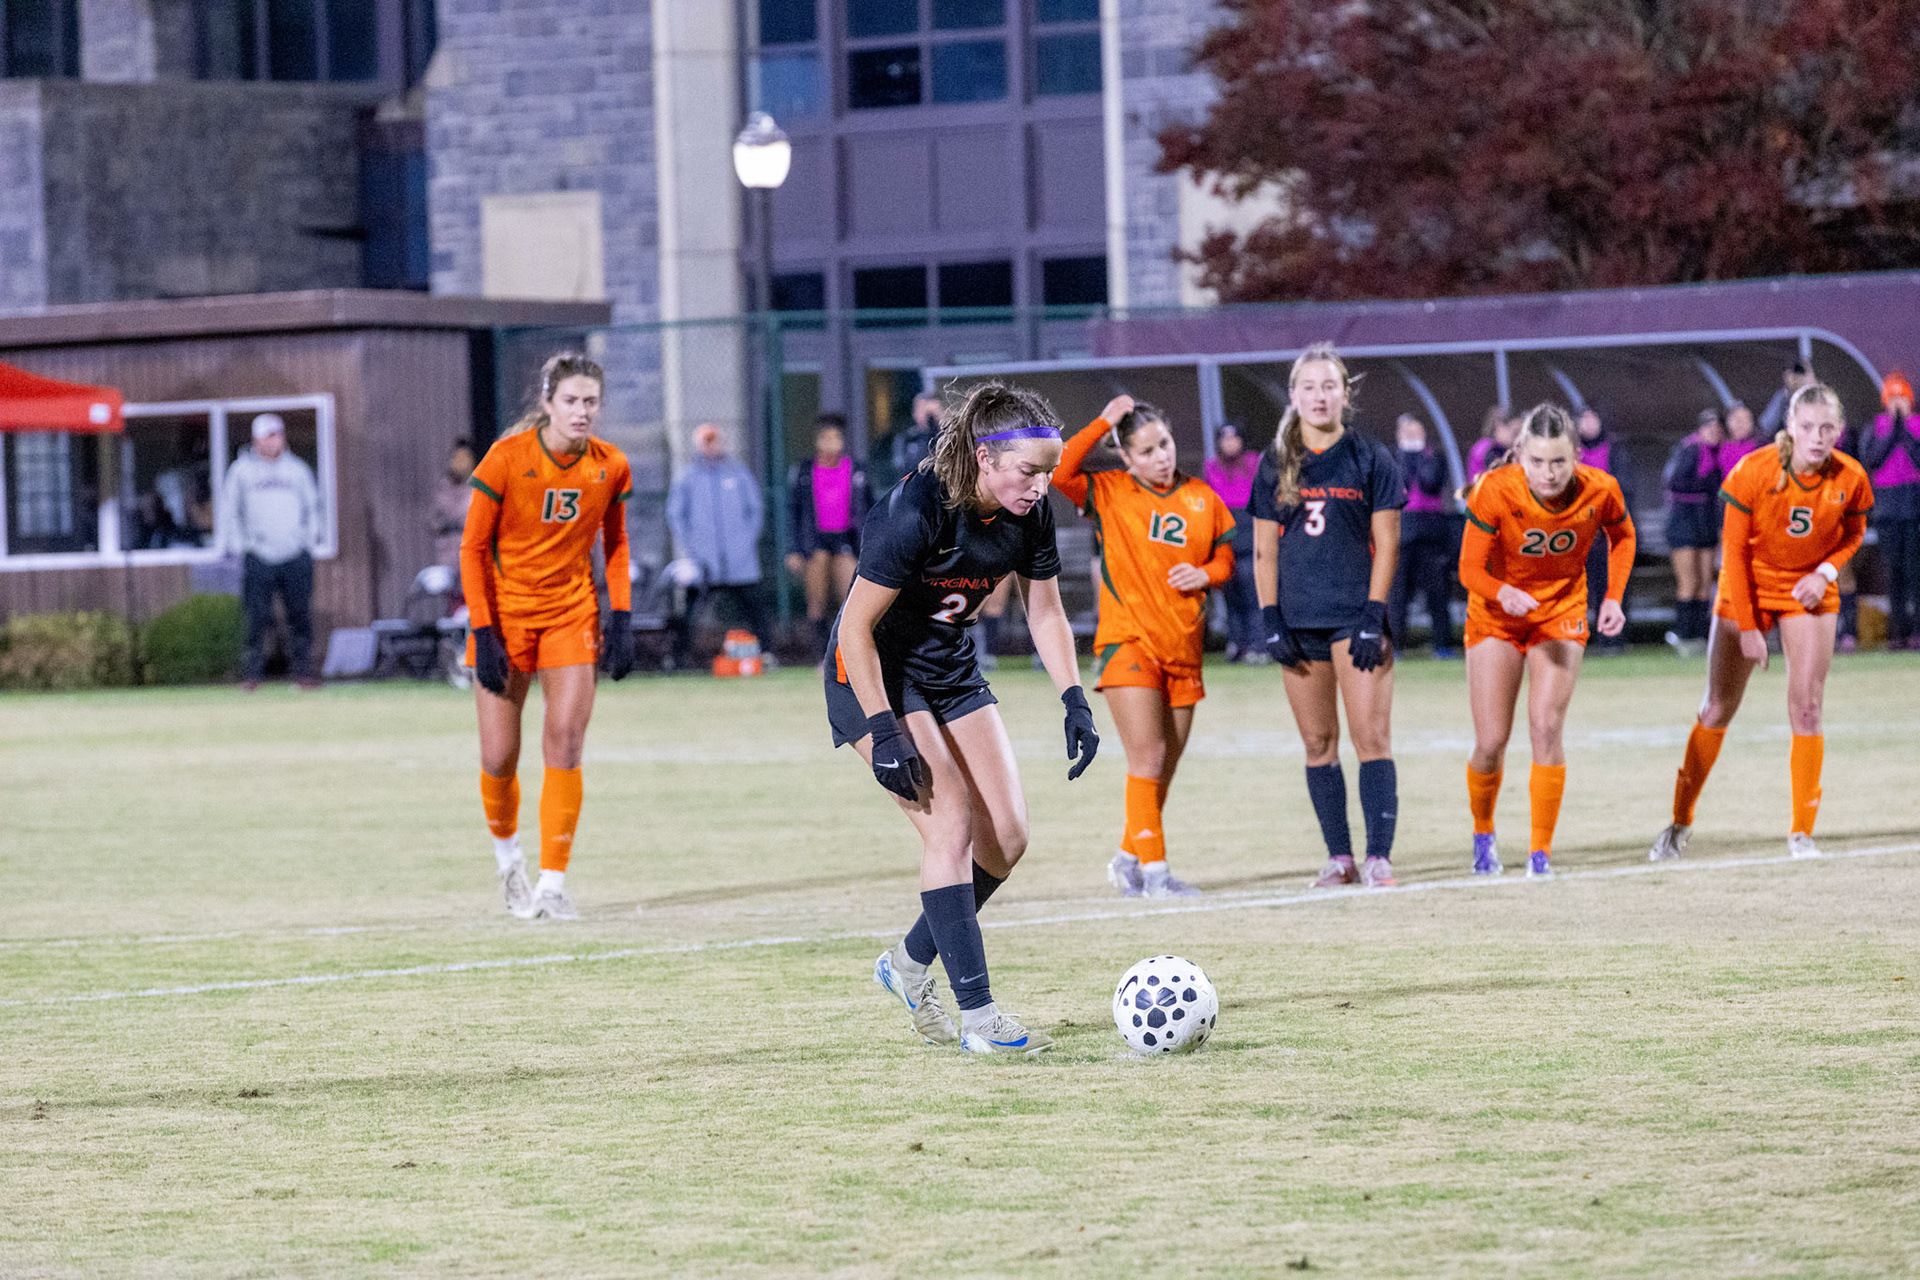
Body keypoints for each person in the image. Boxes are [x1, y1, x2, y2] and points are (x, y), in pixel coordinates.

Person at [845, 382, 1098, 1055]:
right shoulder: (915, 509)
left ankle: (903, 964)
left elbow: (1043, 611)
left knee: (1007, 839)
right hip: (877, 673)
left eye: (1047, 471)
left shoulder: (1029, 512)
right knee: (951, 821)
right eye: (1028, 471)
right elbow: (853, 630)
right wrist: (884, 726)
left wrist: (1073, 696)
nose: (1041, 486)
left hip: (947, 669)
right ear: (985, 458)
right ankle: (979, 1018)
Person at [1650, 382, 1873, 862]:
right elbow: (1731, 554)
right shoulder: (1754, 470)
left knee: (1808, 707)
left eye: (1827, 427)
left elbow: (1854, 531)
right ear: (1790, 427)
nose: (1817, 437)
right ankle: (1679, 821)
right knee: (1716, 708)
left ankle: (1801, 833)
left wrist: (1826, 572)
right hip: (1746, 585)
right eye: (1807, 426)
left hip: (1807, 588)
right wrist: (1749, 629)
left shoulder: (1850, 476)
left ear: (1839, 430)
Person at [460, 353, 636, 921]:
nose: (582, 412)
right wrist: (483, 629)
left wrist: (623, 616)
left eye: (590, 402)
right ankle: (508, 862)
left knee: (564, 742)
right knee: (498, 756)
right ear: (547, 404)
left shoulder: (611, 466)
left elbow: (616, 545)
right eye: (571, 401)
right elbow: (472, 548)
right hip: (506, 618)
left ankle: (552, 886)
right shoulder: (507, 459)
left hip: (570, 615)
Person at [1054, 394, 1235, 898]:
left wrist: (1205, 572)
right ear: (1127, 458)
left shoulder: (1201, 495)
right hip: (1128, 642)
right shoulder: (1109, 491)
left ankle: (1129, 857)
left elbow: (1225, 561)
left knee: (1164, 766)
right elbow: (1060, 468)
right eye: (1148, 450)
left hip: (1183, 648)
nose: (1161, 456)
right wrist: (1104, 419)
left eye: (1165, 444)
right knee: (1149, 757)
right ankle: (1156, 877)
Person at [1251, 342, 1407, 889]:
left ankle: (1378, 857)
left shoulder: (1370, 456)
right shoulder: (1275, 462)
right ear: (1294, 396)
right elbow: (1264, 551)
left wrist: (1374, 613)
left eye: (1329, 386)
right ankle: (1339, 858)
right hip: (1298, 621)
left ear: (1345, 393)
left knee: (1371, 737)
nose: (1319, 396)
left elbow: (1387, 544)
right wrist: (1270, 617)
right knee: (1318, 743)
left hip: (1355, 619)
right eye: (1309, 387)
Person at [1457, 404, 1636, 877]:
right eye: (1537, 462)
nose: (1549, 473)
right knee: (1492, 740)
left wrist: (1613, 598)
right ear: (1519, 455)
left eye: (1559, 461)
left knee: (1546, 726)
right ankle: (1483, 832)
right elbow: (1469, 569)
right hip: (1497, 616)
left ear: (1577, 455)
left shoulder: (1601, 489)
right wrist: (1503, 592)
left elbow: (1623, 537)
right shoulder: (1495, 490)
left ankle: (1540, 853)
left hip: (1559, 613)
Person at [219, 412, 325, 691]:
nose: (274, 440)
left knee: (300, 618)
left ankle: (303, 674)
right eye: (268, 436)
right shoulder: (241, 471)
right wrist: (241, 544)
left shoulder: (297, 470)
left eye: (277, 434)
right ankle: (251, 675)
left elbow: (312, 507)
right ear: (256, 439)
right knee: (255, 619)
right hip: (259, 556)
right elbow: (230, 510)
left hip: (295, 555)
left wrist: (308, 539)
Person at [666, 423, 767, 669]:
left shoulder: (738, 474)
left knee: (754, 608)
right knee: (690, 610)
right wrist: (693, 546)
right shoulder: (687, 478)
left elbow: (755, 511)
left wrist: (745, 541)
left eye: (714, 440)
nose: (711, 446)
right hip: (703, 562)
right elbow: (675, 515)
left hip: (739, 561)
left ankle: (767, 652)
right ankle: (678, 658)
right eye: (705, 441)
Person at [786, 414, 869, 660]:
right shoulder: (804, 471)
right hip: (816, 542)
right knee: (817, 600)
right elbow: (794, 512)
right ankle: (823, 656)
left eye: (837, 437)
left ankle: (849, 653)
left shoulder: (855, 470)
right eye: (827, 438)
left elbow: (868, 506)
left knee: (850, 598)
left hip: (845, 540)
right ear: (818, 441)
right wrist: (794, 549)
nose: (832, 443)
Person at [1389, 413, 1458, 656]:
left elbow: (1431, 481)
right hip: (1403, 531)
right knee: (1398, 594)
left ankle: (1443, 645)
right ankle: (1396, 646)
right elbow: (1399, 483)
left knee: (1437, 593)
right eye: (1406, 433)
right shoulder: (1392, 458)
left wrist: (1417, 455)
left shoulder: (1434, 456)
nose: (1411, 437)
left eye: (1415, 432)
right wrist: (1405, 455)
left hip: (1431, 532)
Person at [1860, 373, 1919, 649]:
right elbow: (1873, 458)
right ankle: (1898, 633)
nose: (1898, 404)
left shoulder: (1917, 426)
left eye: (1902, 399)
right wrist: (1893, 428)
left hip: (1914, 508)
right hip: (1887, 511)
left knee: (1915, 572)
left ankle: (1917, 630)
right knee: (1894, 572)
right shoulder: (1875, 427)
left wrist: (1904, 429)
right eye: (1893, 399)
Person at [1663, 408, 1726, 652]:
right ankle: (1684, 635)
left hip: (1706, 522)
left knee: (1704, 581)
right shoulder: (1689, 449)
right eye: (1709, 428)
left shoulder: (1719, 452)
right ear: (1701, 430)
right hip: (1683, 522)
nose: (1714, 432)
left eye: (1717, 429)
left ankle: (1701, 636)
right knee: (1688, 581)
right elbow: (1676, 482)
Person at [1204, 421, 1262, 661]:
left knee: (1252, 592)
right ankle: (1236, 645)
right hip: (1225, 535)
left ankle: (1258, 646)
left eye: (1234, 438)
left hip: (1250, 532)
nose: (1229, 443)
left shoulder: (1253, 462)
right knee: (1232, 595)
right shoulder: (1212, 467)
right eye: (1224, 439)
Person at [1576, 407, 1631, 652]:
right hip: (1582, 533)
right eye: (1583, 420)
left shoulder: (1616, 450)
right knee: (1591, 586)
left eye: (1592, 419)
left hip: (1609, 528)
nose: (1588, 424)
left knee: (1615, 583)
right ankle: (1595, 637)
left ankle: (1616, 638)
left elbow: (1624, 491)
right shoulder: (1570, 453)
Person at [430, 438, 476, 581]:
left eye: (464, 458)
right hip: (449, 560)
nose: (460, 462)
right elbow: (432, 521)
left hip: (474, 557)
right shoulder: (443, 488)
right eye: (456, 458)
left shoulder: (481, 486)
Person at [1758, 358, 1814, 436]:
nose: (1794, 379)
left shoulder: (1812, 396)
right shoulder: (1782, 396)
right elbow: (1766, 425)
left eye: (1797, 375)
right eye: (1790, 375)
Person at [1468, 405, 1518, 480]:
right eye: (1514, 433)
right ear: (1499, 427)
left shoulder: (1482, 445)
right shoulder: (1494, 450)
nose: (1515, 439)